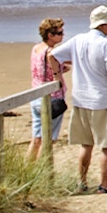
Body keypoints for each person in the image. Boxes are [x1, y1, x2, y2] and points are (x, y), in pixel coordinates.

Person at [51, 5, 107, 194]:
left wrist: (57, 77)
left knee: (87, 144)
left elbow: (53, 56)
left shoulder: (78, 40)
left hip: (81, 99)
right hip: (102, 100)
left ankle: (82, 182)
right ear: (103, 25)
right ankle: (104, 185)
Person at [26, 17, 67, 161]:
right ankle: (43, 170)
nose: (63, 35)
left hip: (36, 94)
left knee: (36, 137)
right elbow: (54, 69)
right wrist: (58, 75)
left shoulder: (36, 48)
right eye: (60, 33)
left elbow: (42, 68)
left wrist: (60, 69)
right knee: (48, 139)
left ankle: (28, 168)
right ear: (50, 35)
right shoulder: (51, 52)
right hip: (52, 98)